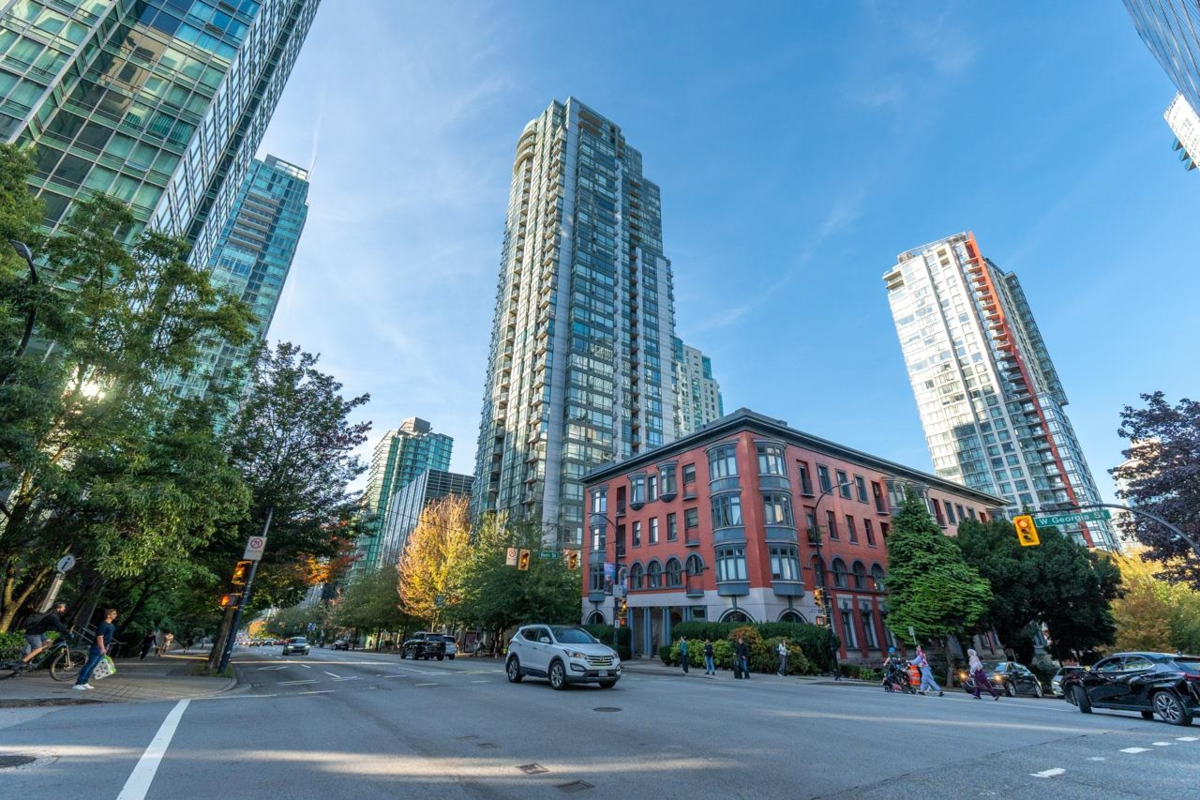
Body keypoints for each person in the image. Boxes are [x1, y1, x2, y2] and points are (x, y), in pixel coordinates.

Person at [74, 608, 118, 690]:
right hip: (97, 647)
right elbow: (99, 638)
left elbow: (108, 638)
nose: (116, 615)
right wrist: (102, 648)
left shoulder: (112, 626)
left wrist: (106, 647)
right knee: (89, 665)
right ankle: (78, 683)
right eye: (114, 613)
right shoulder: (103, 625)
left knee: (93, 665)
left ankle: (84, 682)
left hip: (103, 647)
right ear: (108, 615)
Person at [20, 602, 70, 669]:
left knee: (49, 643)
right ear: (59, 608)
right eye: (63, 607)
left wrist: (63, 627)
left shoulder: (52, 613)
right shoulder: (53, 616)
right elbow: (60, 626)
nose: (64, 609)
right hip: (33, 633)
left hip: (39, 633)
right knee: (38, 649)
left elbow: (55, 625)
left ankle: (32, 656)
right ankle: (23, 662)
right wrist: (67, 632)